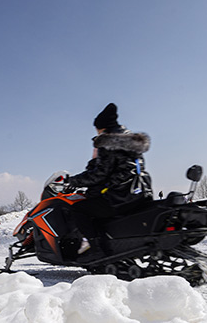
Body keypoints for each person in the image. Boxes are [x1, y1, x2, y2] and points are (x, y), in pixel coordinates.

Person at [65, 103, 153, 254]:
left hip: (121, 196)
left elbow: (99, 174)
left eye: (97, 128)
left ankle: (95, 247)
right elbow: (122, 170)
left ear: (103, 127)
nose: (97, 132)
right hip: (140, 192)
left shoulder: (108, 143)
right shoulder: (131, 143)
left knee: (79, 209)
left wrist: (73, 181)